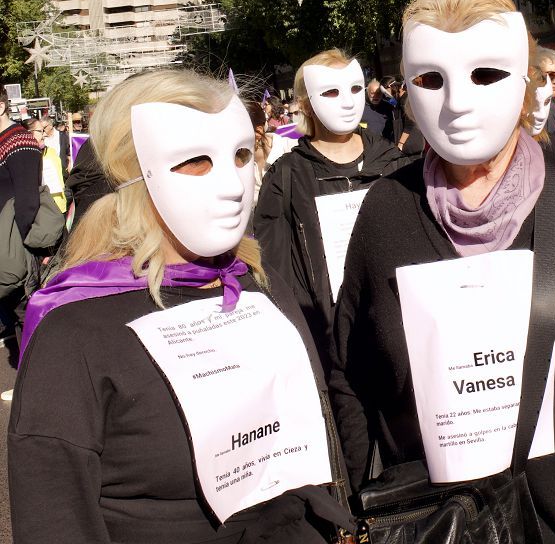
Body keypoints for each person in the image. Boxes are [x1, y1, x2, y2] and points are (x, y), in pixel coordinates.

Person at [329, 0, 555, 544]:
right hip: (442, 527)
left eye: (485, 74)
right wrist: (359, 504)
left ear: (523, 83)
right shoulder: (387, 211)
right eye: (430, 79)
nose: (457, 103)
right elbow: (353, 370)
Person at [9, 69, 352, 543]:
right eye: (195, 161)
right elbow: (56, 518)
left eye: (240, 155)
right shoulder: (74, 334)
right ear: (132, 176)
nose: (234, 184)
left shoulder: (257, 285)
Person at [254, 50, 408, 375]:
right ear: (306, 103)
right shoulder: (286, 179)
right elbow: (275, 271)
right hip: (330, 345)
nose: (348, 102)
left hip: (400, 332)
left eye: (355, 89)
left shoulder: (395, 163)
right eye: (331, 92)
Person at [0, 95, 42, 351]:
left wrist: (27, 245)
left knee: (24, 310)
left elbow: (27, 200)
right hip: (5, 239)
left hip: (15, 242)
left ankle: (35, 383)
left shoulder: (19, 141)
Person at [27, 119, 67, 213]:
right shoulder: (23, 158)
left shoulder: (51, 152)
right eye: (40, 131)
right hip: (42, 212)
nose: (45, 135)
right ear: (28, 133)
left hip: (60, 208)